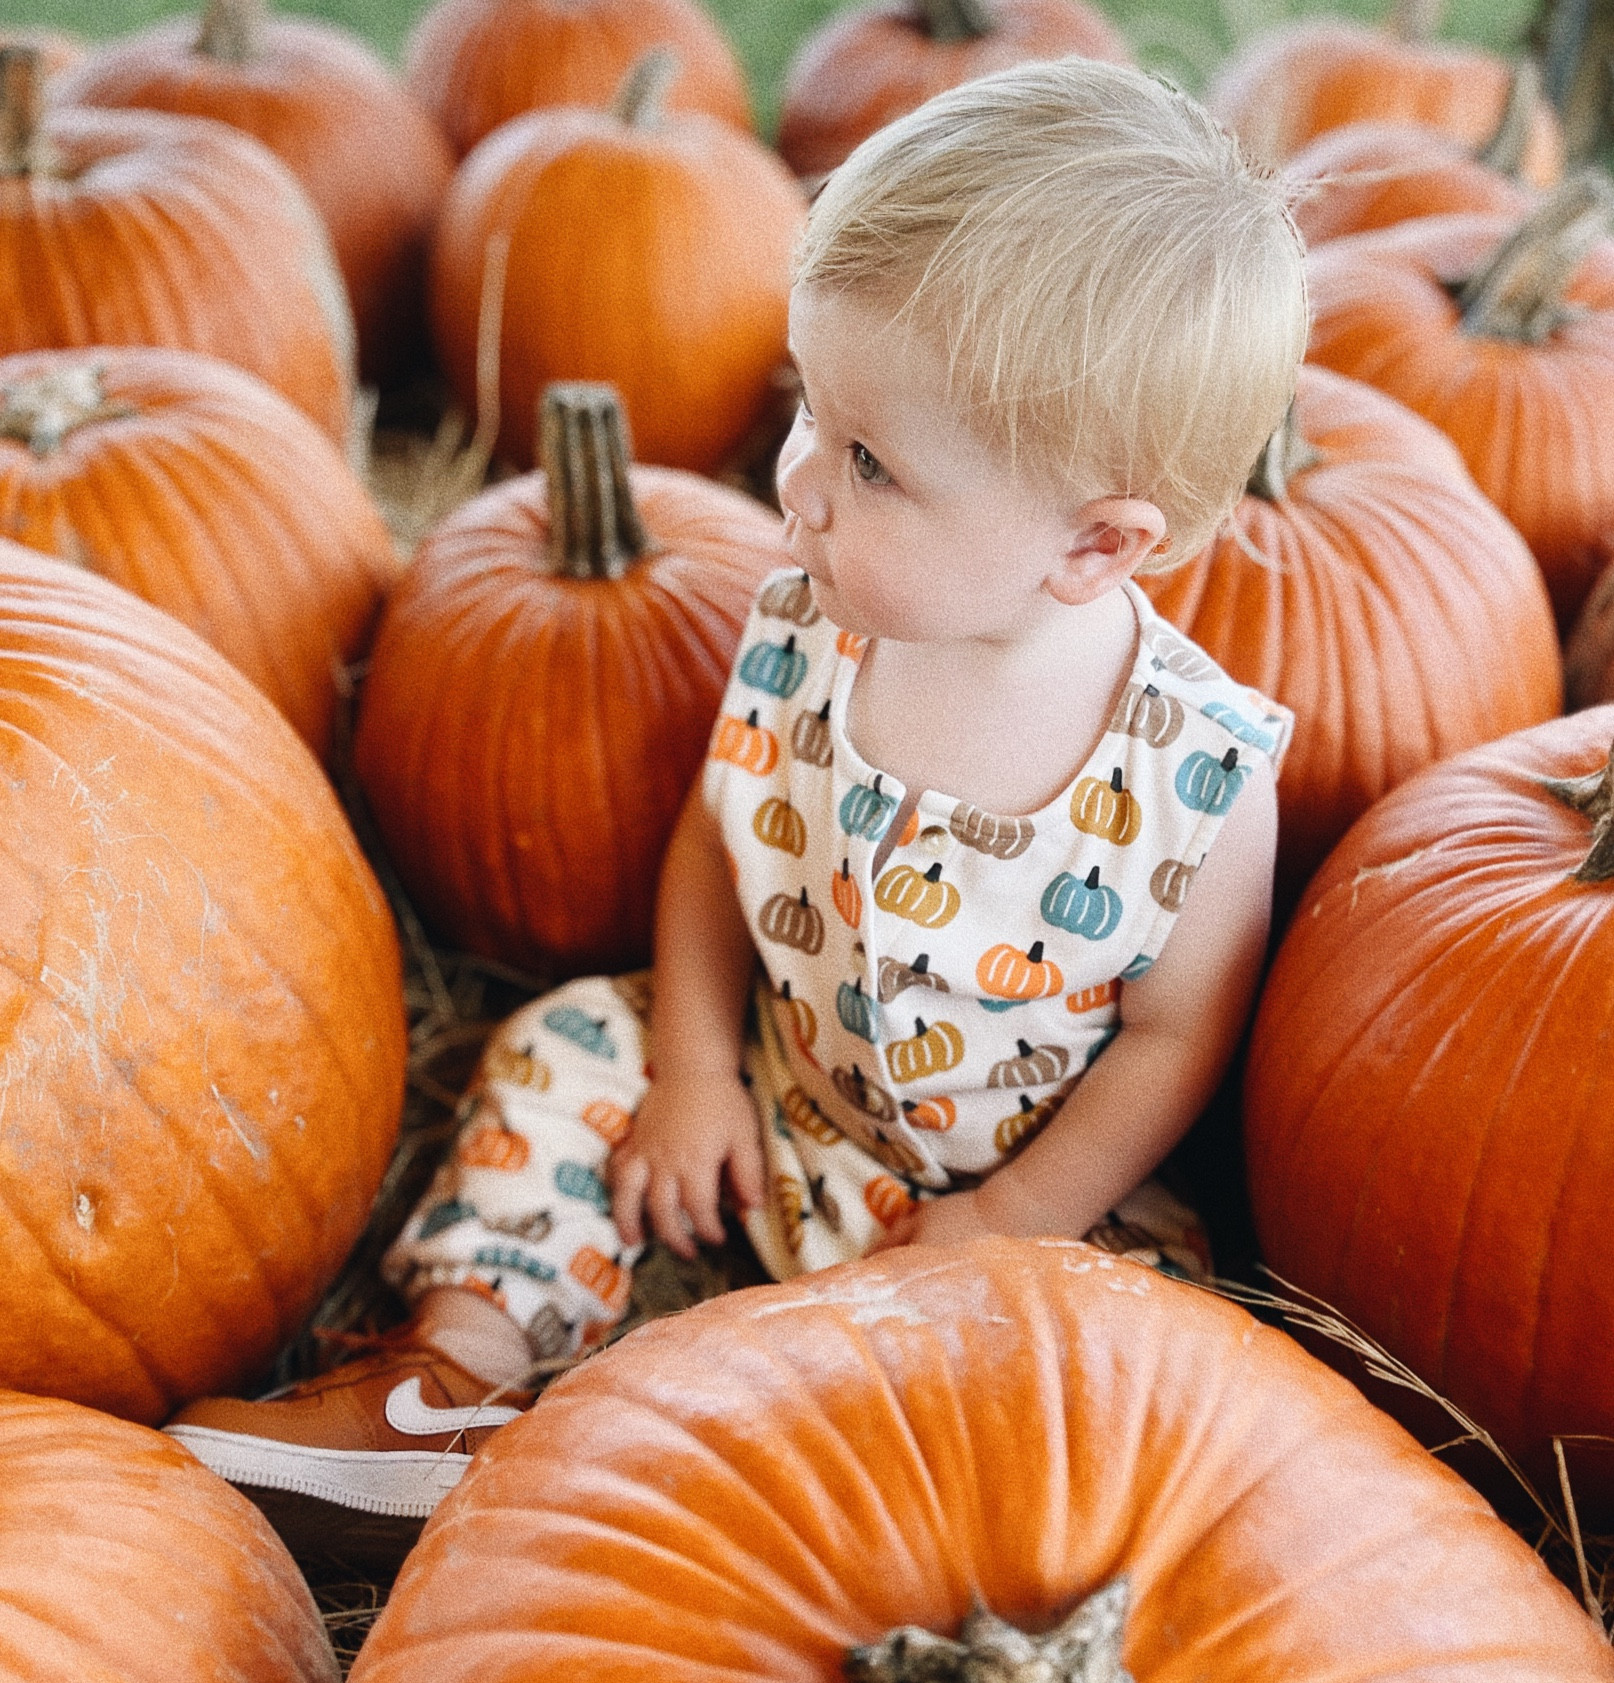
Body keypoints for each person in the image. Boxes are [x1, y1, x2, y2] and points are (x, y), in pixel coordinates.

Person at [164, 57, 1308, 1563]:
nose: (795, 488)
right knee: (568, 1043)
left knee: (1121, 1351)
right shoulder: (806, 632)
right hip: (782, 1096)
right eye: (810, 414)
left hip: (996, 1211)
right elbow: (724, 836)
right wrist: (699, 1068)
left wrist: (1018, 1214)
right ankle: (451, 1383)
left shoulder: (1195, 777)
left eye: (869, 463)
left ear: (1094, 547)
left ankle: (816, 1529)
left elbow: (1174, 1039)